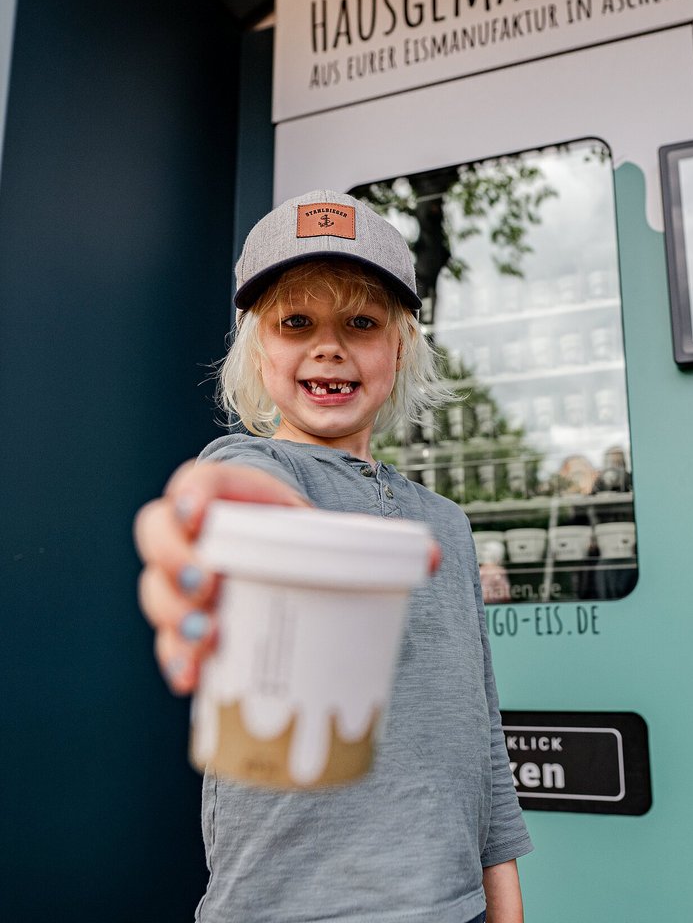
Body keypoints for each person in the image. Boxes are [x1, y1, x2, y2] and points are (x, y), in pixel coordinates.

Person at [134, 190, 532, 923]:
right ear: (260, 348)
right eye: (296, 322)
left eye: (360, 322)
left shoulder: (445, 523)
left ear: (400, 344)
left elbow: (484, 744)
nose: (329, 345)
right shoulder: (257, 465)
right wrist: (207, 510)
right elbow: (232, 490)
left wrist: (504, 909)